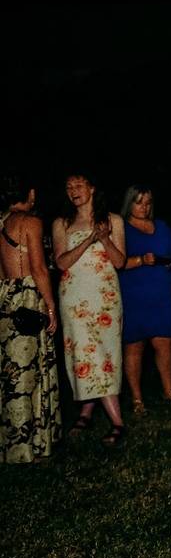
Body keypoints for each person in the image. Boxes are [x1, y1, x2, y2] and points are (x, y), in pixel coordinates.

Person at [52, 172, 126, 446]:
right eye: (69, 187)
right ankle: (116, 422)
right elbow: (61, 263)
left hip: (105, 296)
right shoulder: (62, 223)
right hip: (75, 298)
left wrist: (104, 238)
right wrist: (88, 239)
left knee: (105, 353)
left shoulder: (114, 220)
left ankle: (88, 412)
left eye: (79, 185)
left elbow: (119, 261)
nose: (74, 190)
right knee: (85, 354)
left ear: (92, 188)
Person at [0, 175, 61, 463]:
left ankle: (8, 442)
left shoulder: (0, 222)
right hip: (26, 297)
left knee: (7, 372)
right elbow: (38, 267)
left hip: (4, 298)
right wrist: (50, 306)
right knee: (26, 373)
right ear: (31, 194)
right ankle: (25, 449)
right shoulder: (31, 222)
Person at [118, 185, 171, 415]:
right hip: (133, 292)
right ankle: (137, 399)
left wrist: (170, 278)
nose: (144, 207)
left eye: (147, 202)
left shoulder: (162, 226)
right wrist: (140, 261)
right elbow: (115, 261)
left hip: (160, 292)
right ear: (129, 203)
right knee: (134, 345)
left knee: (164, 343)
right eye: (138, 202)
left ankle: (169, 390)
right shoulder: (121, 228)